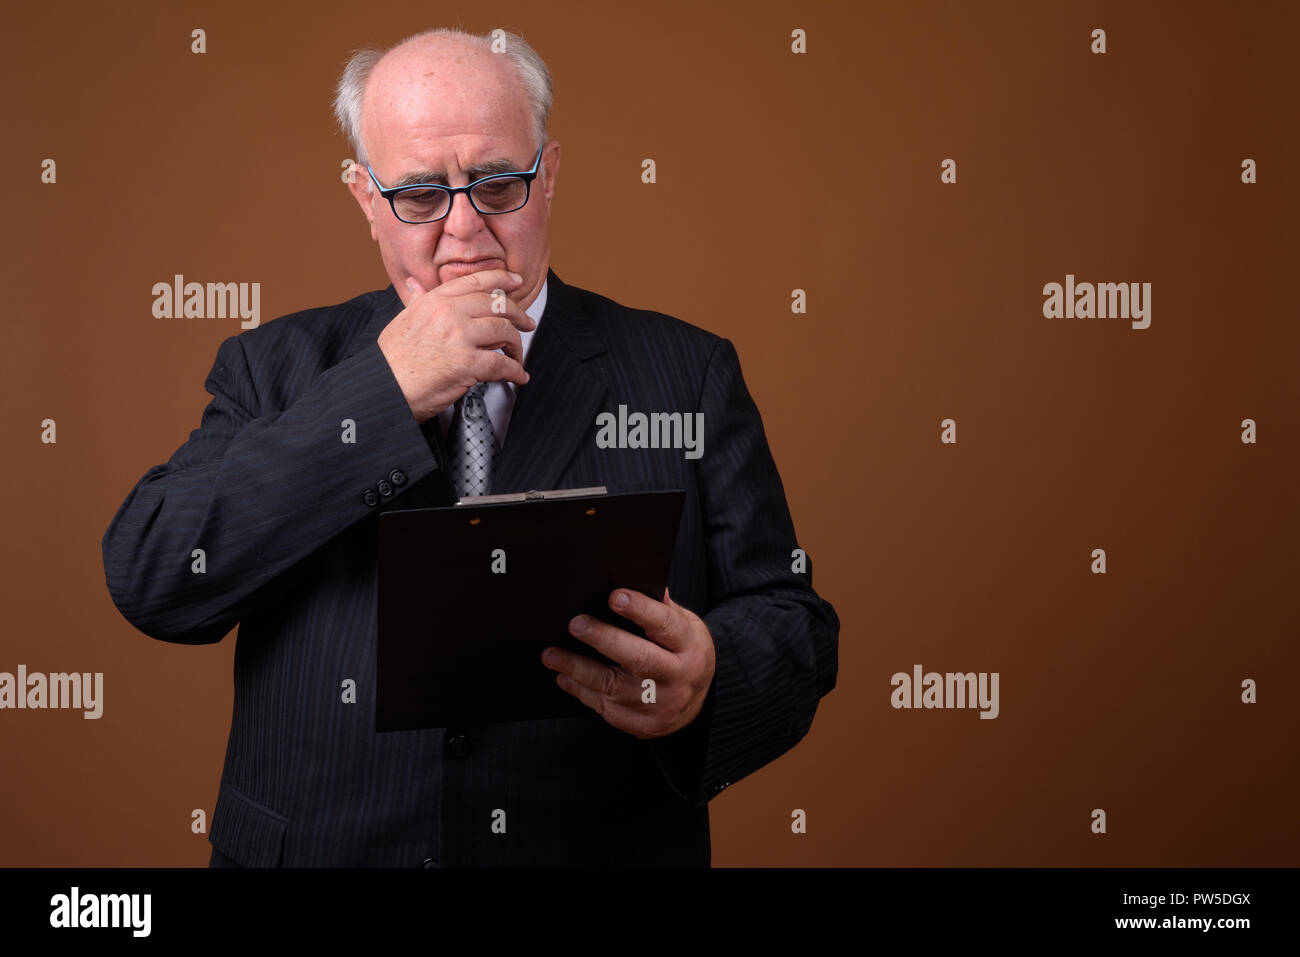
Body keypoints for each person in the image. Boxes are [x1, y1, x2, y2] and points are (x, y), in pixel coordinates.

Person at [102, 27, 839, 867]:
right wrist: (384, 392)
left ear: (548, 175)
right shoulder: (271, 369)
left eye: (497, 184)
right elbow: (153, 573)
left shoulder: (688, 372)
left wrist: (710, 675)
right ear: (365, 198)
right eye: (419, 195)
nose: (463, 231)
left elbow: (796, 623)